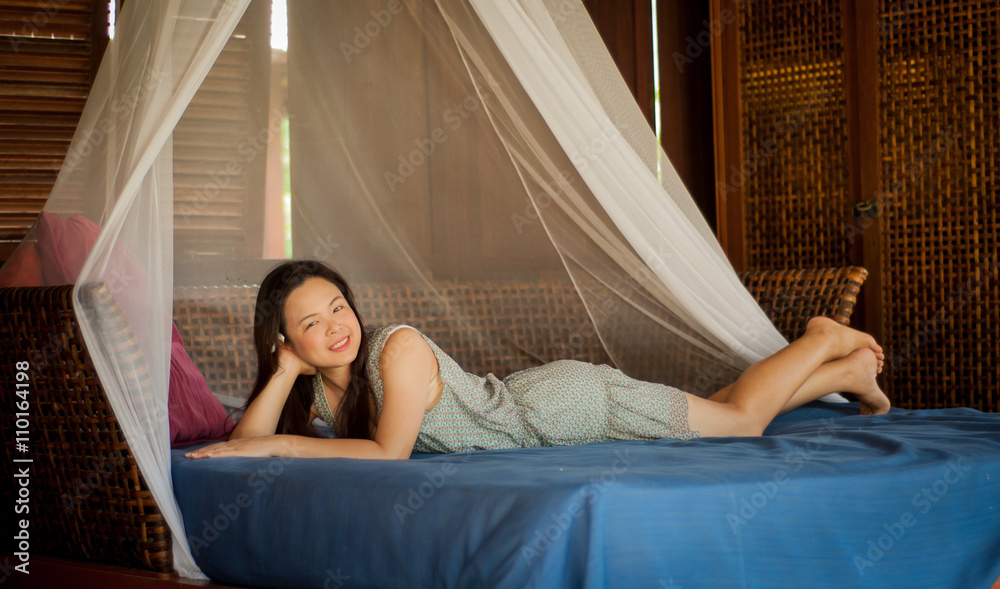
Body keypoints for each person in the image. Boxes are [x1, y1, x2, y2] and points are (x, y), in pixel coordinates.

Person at [185, 260, 889, 460]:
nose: (337, 326)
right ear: (287, 339)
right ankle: (845, 374)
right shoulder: (316, 395)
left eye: (338, 305)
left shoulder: (396, 348)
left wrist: (281, 443)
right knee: (714, 402)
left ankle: (821, 338)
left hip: (570, 405)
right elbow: (239, 447)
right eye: (311, 323)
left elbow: (390, 453)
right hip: (537, 408)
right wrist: (280, 375)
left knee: (738, 421)